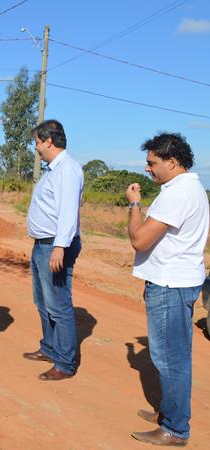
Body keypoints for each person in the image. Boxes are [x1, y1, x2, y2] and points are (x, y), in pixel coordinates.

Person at [125, 133, 208, 446]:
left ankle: (174, 429)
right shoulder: (187, 188)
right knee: (177, 356)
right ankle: (171, 413)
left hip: (170, 284)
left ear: (172, 162)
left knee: (169, 359)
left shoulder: (177, 193)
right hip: (177, 282)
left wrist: (135, 205)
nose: (147, 169)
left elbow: (140, 239)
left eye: (152, 163)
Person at [24, 119, 83, 381]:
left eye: (37, 142)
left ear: (49, 141)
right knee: (43, 301)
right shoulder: (53, 170)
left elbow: (68, 212)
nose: (36, 147)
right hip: (43, 244)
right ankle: (49, 348)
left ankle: (65, 363)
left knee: (58, 305)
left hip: (55, 246)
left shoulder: (67, 170)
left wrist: (60, 247)